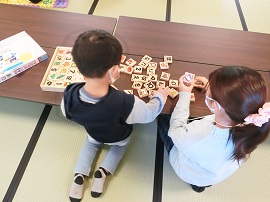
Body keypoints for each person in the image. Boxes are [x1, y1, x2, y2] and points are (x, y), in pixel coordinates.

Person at [60, 29, 169, 201]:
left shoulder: (69, 95)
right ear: (114, 70)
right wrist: (159, 97)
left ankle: (79, 176)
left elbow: (67, 114)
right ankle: (103, 172)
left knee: (90, 144)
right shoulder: (125, 102)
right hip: (119, 136)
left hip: (93, 132)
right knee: (119, 147)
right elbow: (149, 115)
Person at [158, 66, 270, 193]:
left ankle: (195, 182)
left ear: (216, 105)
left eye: (209, 92)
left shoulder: (199, 134)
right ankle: (198, 186)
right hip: (213, 175)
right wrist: (213, 90)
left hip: (187, 170)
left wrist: (184, 94)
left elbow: (175, 132)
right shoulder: (251, 122)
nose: (207, 91)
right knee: (202, 178)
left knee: (163, 120)